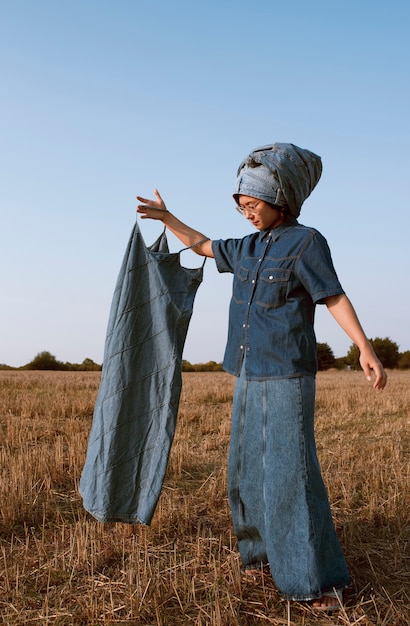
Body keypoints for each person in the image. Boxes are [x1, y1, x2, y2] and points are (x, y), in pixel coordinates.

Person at [136, 142, 387, 612]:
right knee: (246, 474)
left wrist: (364, 347)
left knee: (291, 477)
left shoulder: (307, 242)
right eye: (241, 206)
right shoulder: (247, 247)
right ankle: (262, 558)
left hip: (288, 376)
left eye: (252, 205)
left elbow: (332, 296)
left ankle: (318, 582)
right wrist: (169, 219)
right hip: (248, 373)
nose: (246, 213)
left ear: (281, 200)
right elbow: (204, 246)